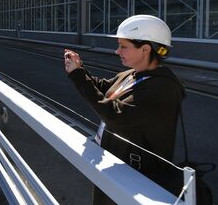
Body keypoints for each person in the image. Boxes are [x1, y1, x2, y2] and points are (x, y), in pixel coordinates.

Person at [64, 15, 185, 205]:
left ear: (145, 49)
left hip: (138, 180)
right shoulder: (131, 75)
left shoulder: (162, 88)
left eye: (124, 46)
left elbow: (115, 115)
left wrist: (79, 76)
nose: (117, 51)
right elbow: (103, 87)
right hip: (118, 168)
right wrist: (79, 69)